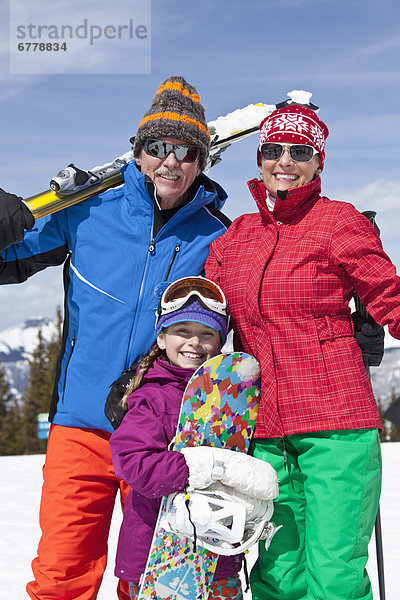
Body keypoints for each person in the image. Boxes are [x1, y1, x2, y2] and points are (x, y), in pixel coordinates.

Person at [0, 76, 231, 600]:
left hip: (161, 433)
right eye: (157, 147)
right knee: (62, 572)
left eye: (186, 151)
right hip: (79, 423)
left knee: (153, 577)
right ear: (139, 151)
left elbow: (264, 307)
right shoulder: (86, 212)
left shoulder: (219, 236)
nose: (170, 162)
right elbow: (8, 253)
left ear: (202, 161)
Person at [205, 102, 400, 600]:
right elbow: (204, 320)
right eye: (273, 150)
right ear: (259, 158)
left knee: (334, 575)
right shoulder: (237, 237)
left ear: (319, 163)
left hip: (336, 422)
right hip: (265, 433)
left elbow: (387, 293)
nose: (284, 161)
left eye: (299, 151)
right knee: (278, 575)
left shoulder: (339, 222)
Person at [109, 276, 277, 600]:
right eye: (182, 332)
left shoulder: (233, 401)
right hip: (155, 556)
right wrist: (198, 467)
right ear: (161, 338)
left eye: (206, 334)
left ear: (220, 340)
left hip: (217, 556)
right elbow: (134, 463)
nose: (194, 343)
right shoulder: (151, 399)